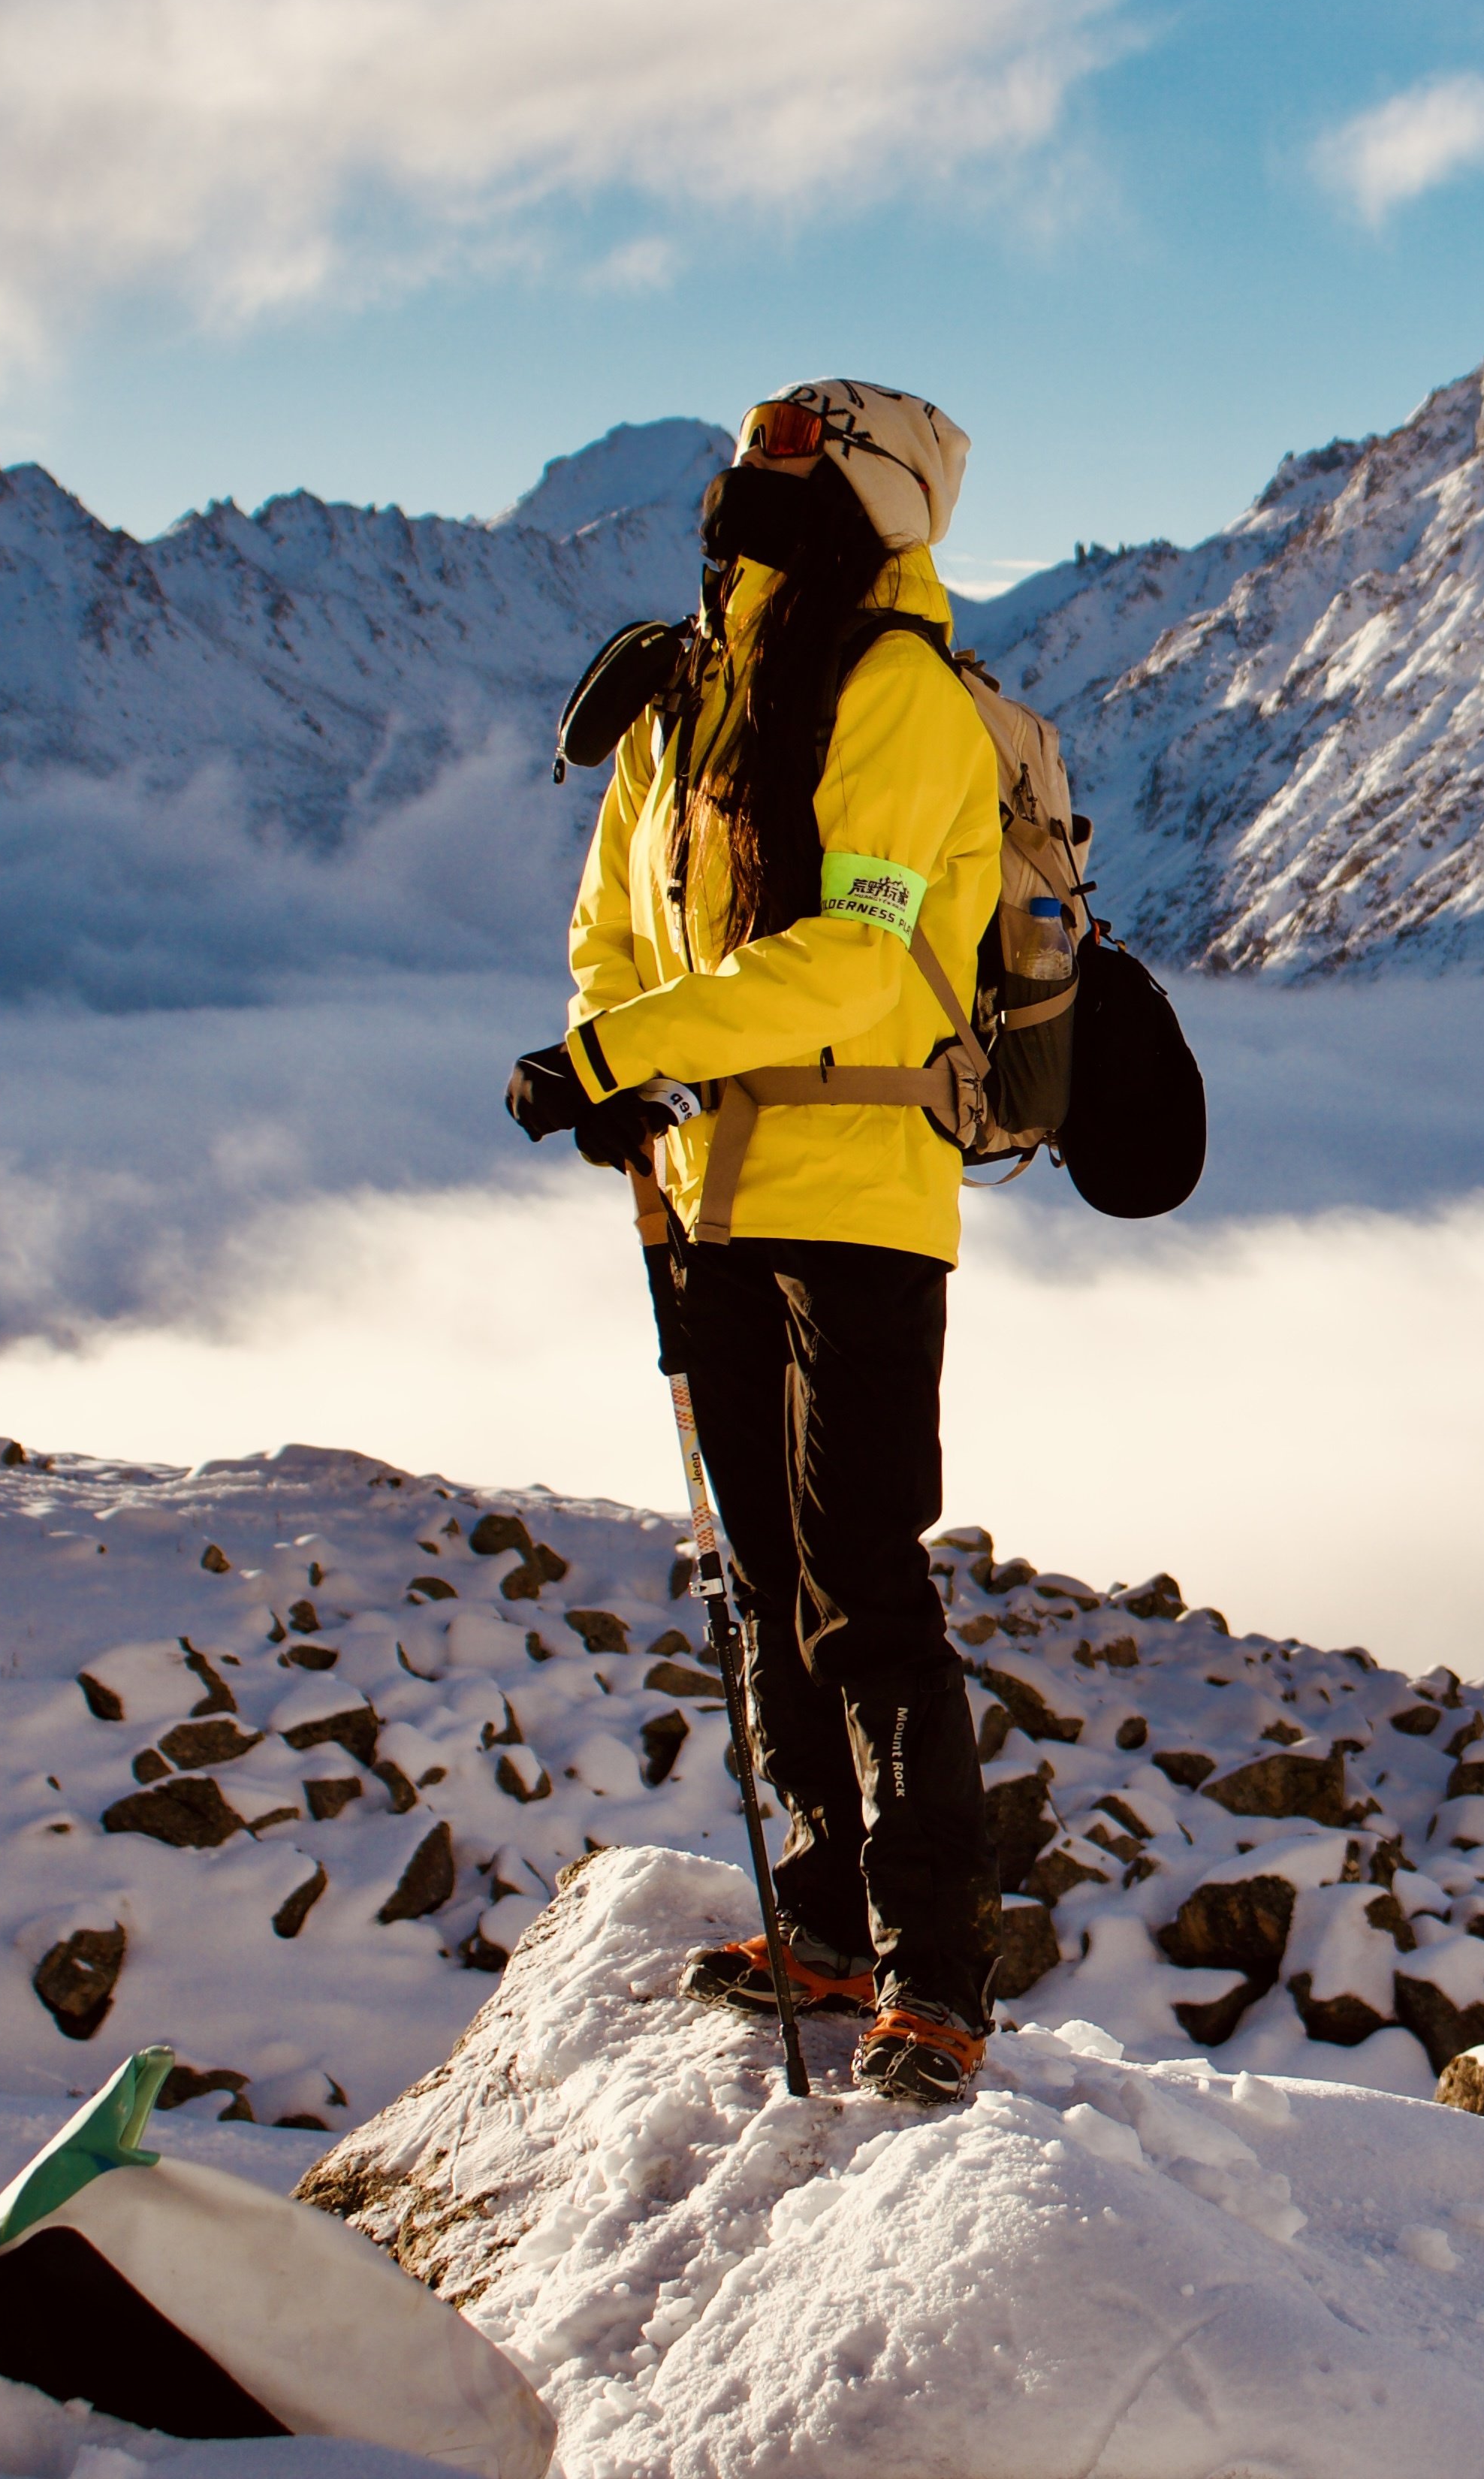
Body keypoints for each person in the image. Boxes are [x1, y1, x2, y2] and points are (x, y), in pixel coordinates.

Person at [504, 379, 1005, 2109]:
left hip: (863, 1188)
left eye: (797, 466)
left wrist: (616, 1059)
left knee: (860, 1573)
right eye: (750, 464)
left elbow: (863, 962)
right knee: (765, 1581)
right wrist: (619, 1062)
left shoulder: (901, 701)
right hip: (710, 1184)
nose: (749, 492)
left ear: (883, 505)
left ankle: (934, 1973)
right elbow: (606, 927)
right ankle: (826, 1923)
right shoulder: (676, 708)